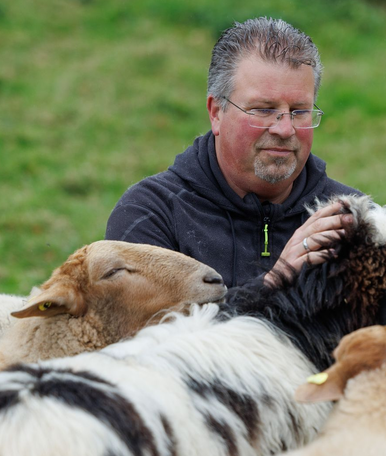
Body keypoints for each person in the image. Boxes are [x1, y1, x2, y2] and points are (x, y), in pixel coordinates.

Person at [106, 17, 363, 287]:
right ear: (216, 113)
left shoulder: (352, 220)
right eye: (263, 110)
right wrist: (276, 284)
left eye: (299, 111)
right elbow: (157, 330)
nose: (285, 129)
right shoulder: (151, 215)